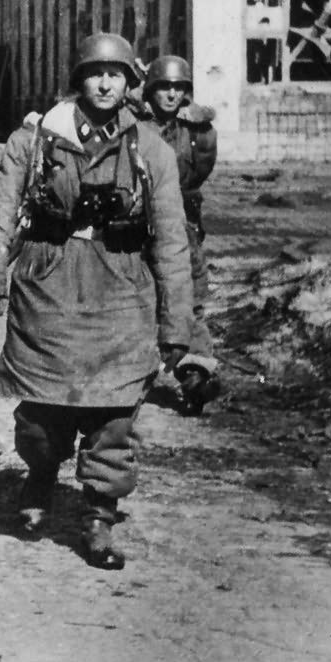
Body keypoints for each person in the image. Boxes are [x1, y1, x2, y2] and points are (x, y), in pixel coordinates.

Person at [0, 33, 193, 570]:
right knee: (43, 415)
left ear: (131, 83)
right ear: (78, 79)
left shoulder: (151, 149)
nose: (107, 83)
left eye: (117, 74)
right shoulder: (36, 140)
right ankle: (41, 473)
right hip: (49, 281)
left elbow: (171, 239)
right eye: (96, 72)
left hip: (122, 287)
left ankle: (98, 516)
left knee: (114, 416)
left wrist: (175, 323)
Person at [140, 55, 220, 415]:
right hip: (138, 222)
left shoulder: (198, 130)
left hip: (182, 224)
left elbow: (198, 173)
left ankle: (196, 376)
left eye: (178, 88)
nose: (171, 95)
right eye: (163, 87)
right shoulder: (133, 123)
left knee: (188, 296)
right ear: (150, 89)